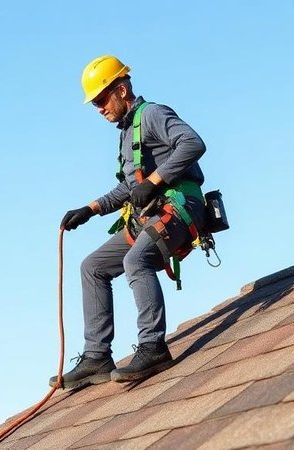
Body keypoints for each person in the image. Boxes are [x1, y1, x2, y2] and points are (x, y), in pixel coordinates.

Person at [50, 55, 208, 389]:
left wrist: (155, 180)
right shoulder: (126, 132)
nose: (98, 108)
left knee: (136, 259)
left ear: (121, 90)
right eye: (93, 102)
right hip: (150, 211)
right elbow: (130, 186)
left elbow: (193, 143)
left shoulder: (152, 114)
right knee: (92, 266)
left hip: (180, 205)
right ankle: (97, 356)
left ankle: (153, 347)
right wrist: (90, 209)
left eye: (101, 99)